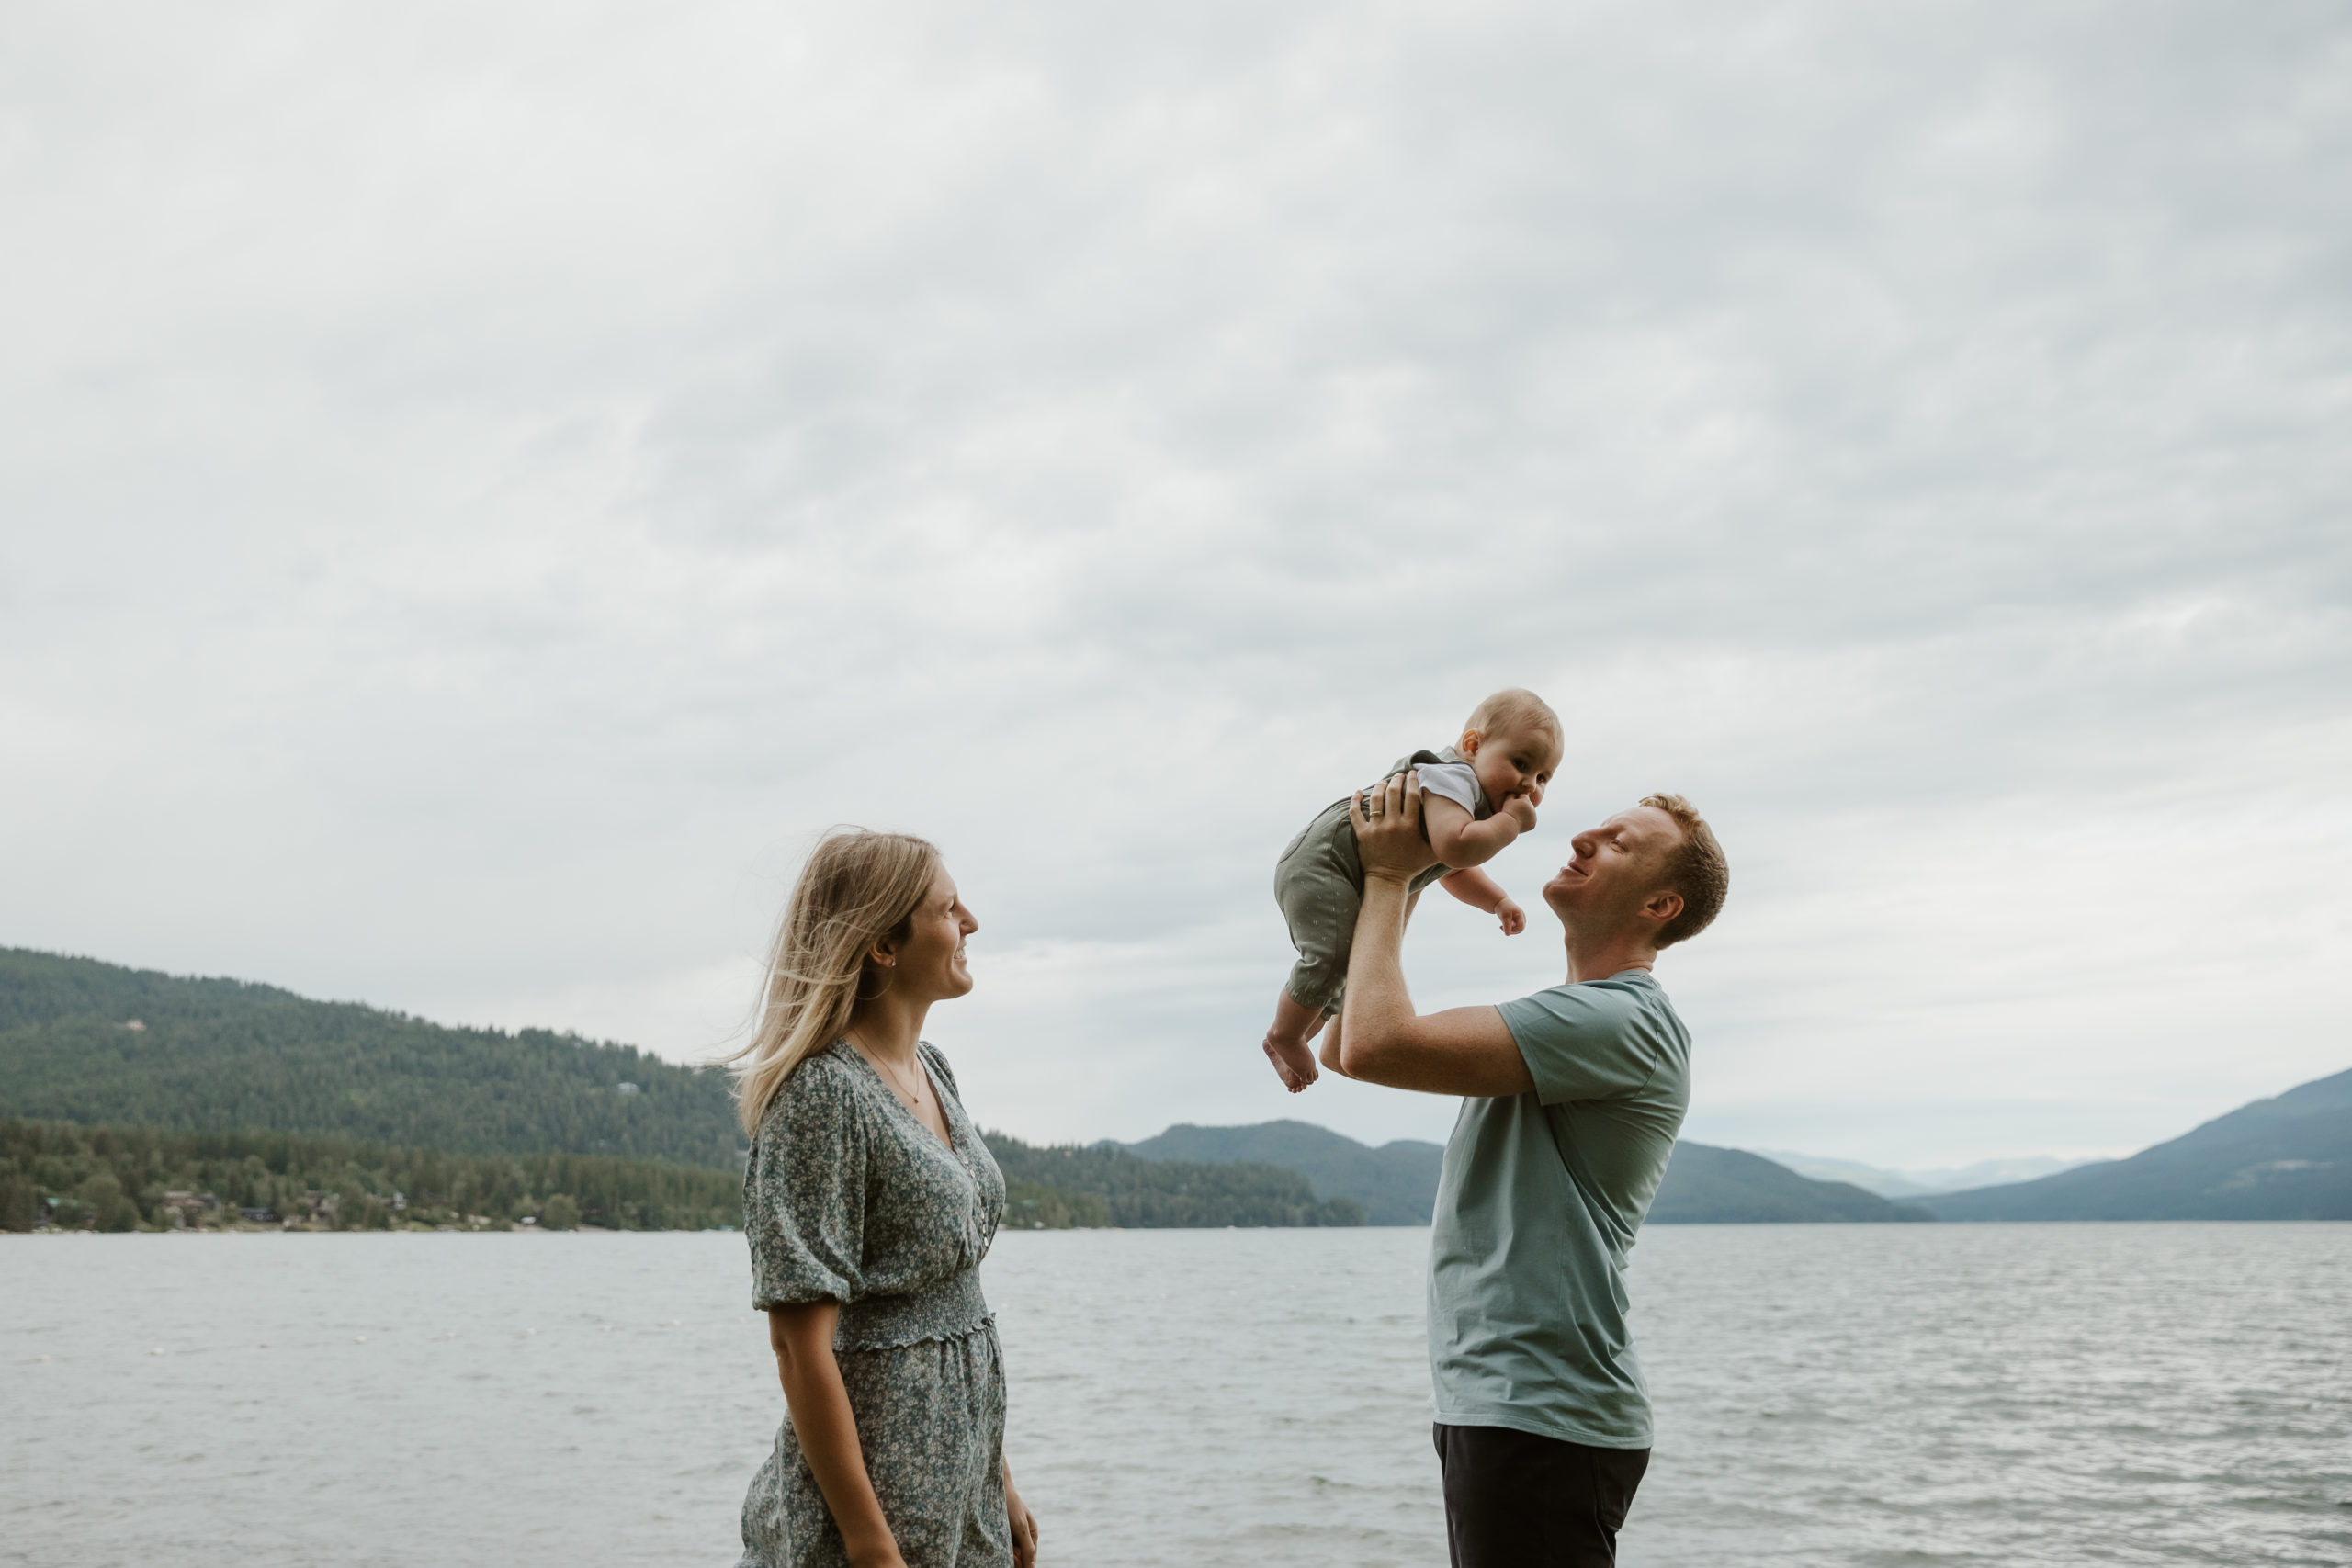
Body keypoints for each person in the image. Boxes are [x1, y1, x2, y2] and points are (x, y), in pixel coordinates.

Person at [1323, 773, 1729, 1568]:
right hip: (1506, 1404)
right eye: (1597, 828)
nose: (1583, 838)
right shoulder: (1574, 1018)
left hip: (1543, 1413)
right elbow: (1344, 1044)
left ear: (1661, 906)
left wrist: (1393, 872)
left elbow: (1372, 1042)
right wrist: (1405, 871)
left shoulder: (1620, 1020)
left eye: (1620, 842)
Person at [726, 829, 1041, 1568]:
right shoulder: (821, 1094)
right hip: (871, 1517)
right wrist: (870, 1547)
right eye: (947, 907)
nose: (970, 922)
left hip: (959, 1496)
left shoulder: (934, 1068)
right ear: (883, 946)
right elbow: (799, 1348)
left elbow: (949, 1308)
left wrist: (1000, 1481)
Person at [1261, 688, 1564, 1092]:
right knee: (1331, 957)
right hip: (1323, 864)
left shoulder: (1468, 808)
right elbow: (1457, 847)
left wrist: (1496, 901)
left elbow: (1452, 868)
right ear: (1473, 746)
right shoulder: (1452, 778)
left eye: (1543, 777)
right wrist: (1511, 825)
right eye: (1520, 763)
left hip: (1343, 871)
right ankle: (1286, 1034)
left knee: (1353, 968)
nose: (1529, 784)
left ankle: (1287, 1038)